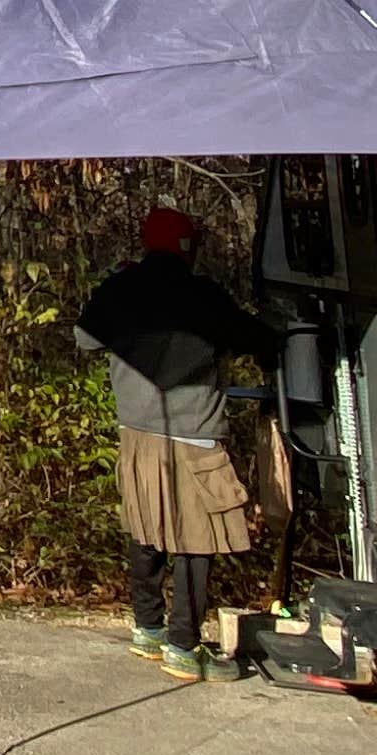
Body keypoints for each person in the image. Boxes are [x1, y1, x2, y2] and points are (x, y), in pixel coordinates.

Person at [74, 206, 255, 681]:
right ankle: (183, 645)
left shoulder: (120, 290)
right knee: (198, 543)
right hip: (195, 437)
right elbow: (253, 339)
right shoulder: (204, 297)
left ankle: (147, 629)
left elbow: (84, 338)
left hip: (136, 431)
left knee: (146, 531)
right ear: (187, 247)